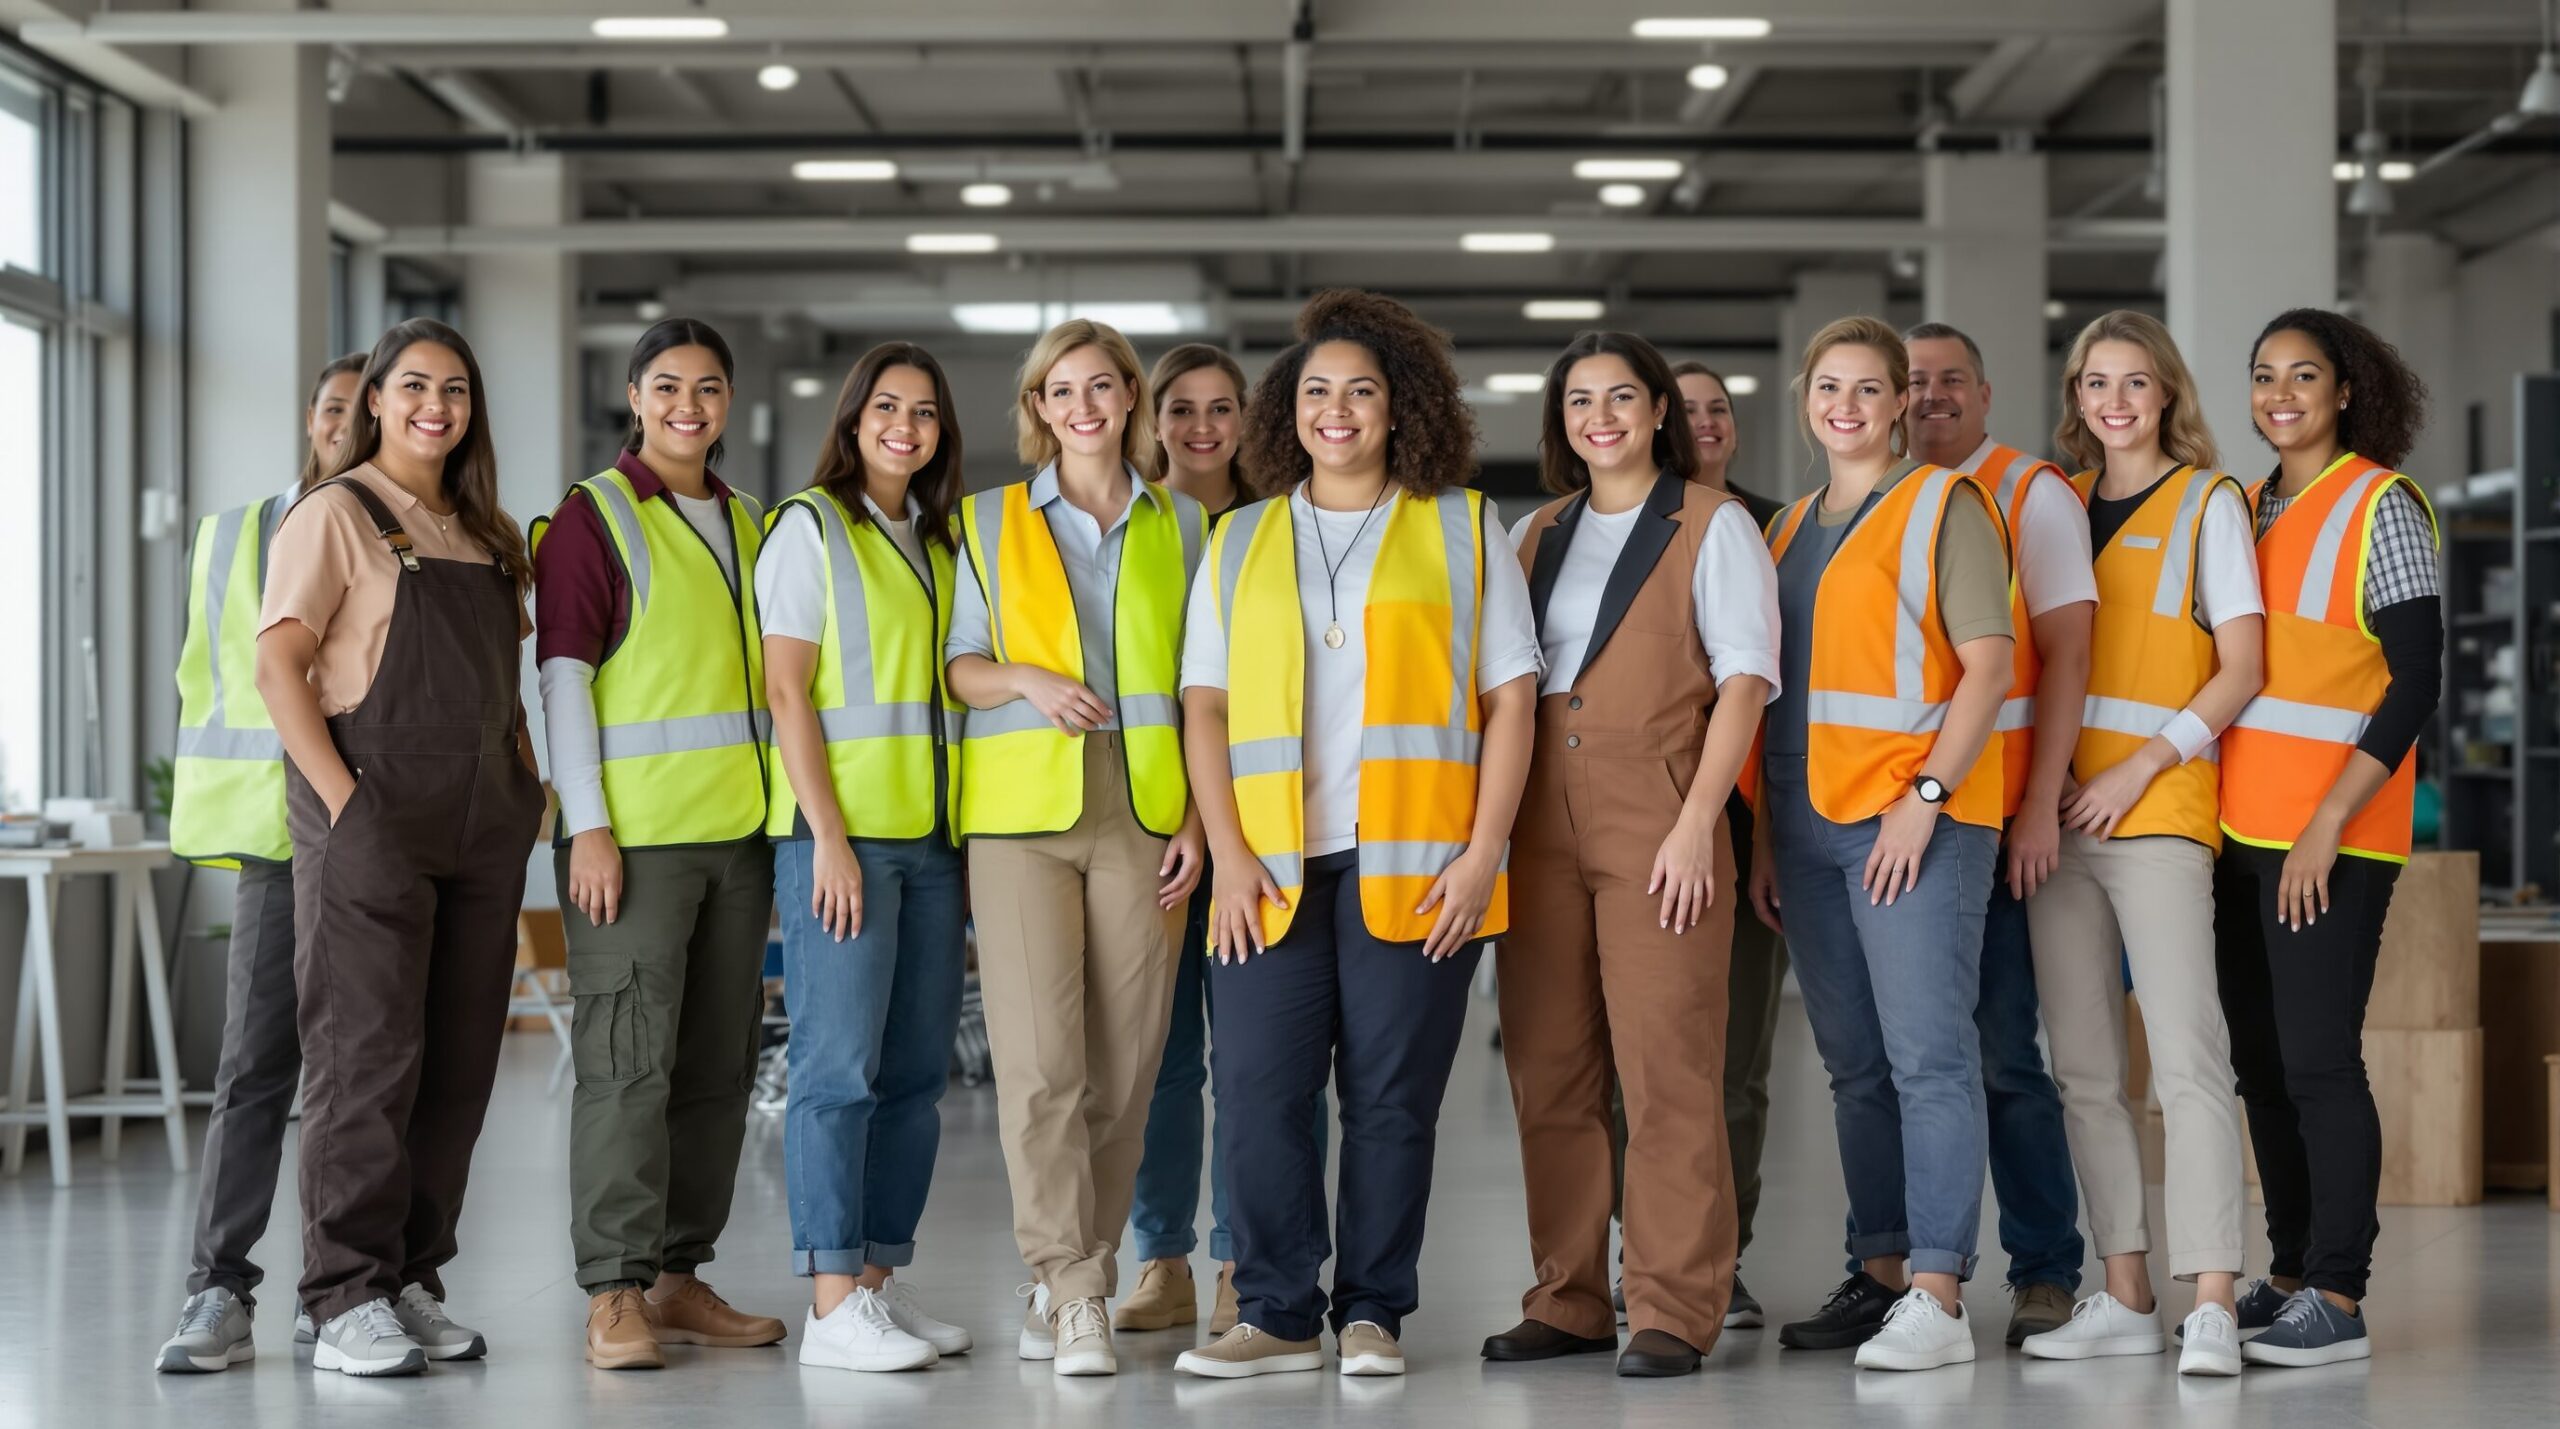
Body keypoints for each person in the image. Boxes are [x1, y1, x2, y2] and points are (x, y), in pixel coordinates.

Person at [1173, 289, 1539, 1379]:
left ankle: (1372, 1310)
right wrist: (1230, 855)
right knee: (1255, 1093)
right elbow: (1205, 704)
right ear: (1289, 410)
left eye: (1362, 391)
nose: (1339, 410)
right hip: (1270, 871)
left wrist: (1482, 854)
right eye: (1318, 391)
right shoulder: (1239, 536)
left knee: (1390, 1102)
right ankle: (1279, 1311)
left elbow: (1512, 700)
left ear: (1401, 409)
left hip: (1419, 867)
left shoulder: (1466, 526)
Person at [252, 318, 546, 1377]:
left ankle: (410, 1275)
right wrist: (344, 805)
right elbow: (279, 667)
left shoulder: (483, 529)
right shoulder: (335, 516)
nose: (437, 405)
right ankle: (340, 1296)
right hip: (371, 808)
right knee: (363, 1059)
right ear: (374, 398)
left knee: (459, 1064)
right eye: (414, 385)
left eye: (456, 388)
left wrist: (523, 779)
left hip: (480, 824)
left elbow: (502, 680)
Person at [1485, 332, 1777, 1378]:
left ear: (1659, 410)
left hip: (1660, 811)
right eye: (1577, 401)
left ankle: (1672, 1302)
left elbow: (1744, 681)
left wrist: (1700, 822)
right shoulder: (1534, 532)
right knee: (1550, 1067)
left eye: (1619, 397)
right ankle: (1566, 1295)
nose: (1598, 416)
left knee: (1669, 1070)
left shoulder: (1715, 526)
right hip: (1537, 821)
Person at [946, 318, 1208, 1377]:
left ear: (1131, 398)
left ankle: (1078, 1270)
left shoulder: (1185, 525)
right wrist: (1026, 680)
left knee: (1127, 1067)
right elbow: (959, 663)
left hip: (1145, 810)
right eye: (1063, 390)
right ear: (1039, 408)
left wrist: (1196, 817)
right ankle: (1071, 1285)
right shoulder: (986, 520)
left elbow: (1205, 685)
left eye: (1104, 386)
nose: (1085, 405)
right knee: (1043, 1065)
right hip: (1019, 815)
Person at [1749, 316, 2011, 1373]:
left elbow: (1986, 667)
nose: (1846, 405)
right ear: (1806, 400)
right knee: (1853, 1064)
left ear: (1901, 401)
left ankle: (1941, 1293)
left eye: (1869, 387)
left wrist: (1927, 795)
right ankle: (1885, 1270)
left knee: (1928, 1058)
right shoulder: (1785, 529)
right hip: (1805, 826)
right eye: (1828, 387)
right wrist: (1770, 838)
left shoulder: (1946, 506)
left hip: (1914, 824)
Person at [532, 317, 786, 1371]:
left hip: (738, 838)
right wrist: (587, 824)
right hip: (630, 845)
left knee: (716, 1069)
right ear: (633, 396)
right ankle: (615, 1290)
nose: (690, 404)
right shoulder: (597, 515)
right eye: (669, 384)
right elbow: (561, 681)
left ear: (729, 404)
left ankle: (681, 1276)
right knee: (627, 1066)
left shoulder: (754, 520)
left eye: (710, 387)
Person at [2014, 311, 2261, 1375]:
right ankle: (2121, 1289)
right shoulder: (2051, 505)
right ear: (2075, 398)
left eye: (2134, 382)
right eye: (2094, 383)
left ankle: (2209, 1295)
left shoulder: (2208, 502)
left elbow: (2240, 666)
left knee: (2188, 1061)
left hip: (2153, 812)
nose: (2113, 401)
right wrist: (2052, 785)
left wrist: (2137, 766)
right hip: (2057, 817)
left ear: (2167, 395)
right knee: (2080, 1066)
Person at [2215, 308, 2440, 1368]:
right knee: (2259, 1063)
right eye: (2264, 376)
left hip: (2331, 834)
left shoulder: (2379, 504)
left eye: (2304, 375)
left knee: (2316, 1061)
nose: (2281, 394)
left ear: (2344, 389)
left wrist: (2325, 822)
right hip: (2235, 830)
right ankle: (2292, 1268)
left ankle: (2341, 1297)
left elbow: (2414, 683)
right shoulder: (2249, 504)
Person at [761, 342, 975, 1373]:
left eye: (924, 411)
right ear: (851, 423)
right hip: (840, 839)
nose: (905, 425)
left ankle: (876, 1287)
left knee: (911, 1076)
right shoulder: (810, 528)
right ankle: (829, 1301)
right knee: (836, 1071)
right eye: (885, 408)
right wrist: (829, 839)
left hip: (931, 842)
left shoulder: (938, 542)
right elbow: (789, 692)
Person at [157, 350, 364, 1374]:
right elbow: (218, 684)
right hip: (278, 841)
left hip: (373, 838)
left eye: (362, 410)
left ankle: (352, 1288)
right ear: (310, 417)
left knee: (366, 1071)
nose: (345, 423)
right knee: (254, 1068)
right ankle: (217, 1287)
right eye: (333, 406)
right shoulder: (234, 535)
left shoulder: (399, 531)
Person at [1118, 342, 1331, 1339]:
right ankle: (1159, 1257)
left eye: (1221, 408)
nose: (1202, 427)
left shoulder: (1281, 527)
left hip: (1266, 831)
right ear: (1149, 418)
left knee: (1271, 1063)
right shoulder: (1132, 528)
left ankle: (1251, 1257)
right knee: (1162, 1061)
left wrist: (1218, 827)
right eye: (1180, 408)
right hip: (1157, 836)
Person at [1895, 321, 2094, 1347]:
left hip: (1996, 816)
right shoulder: (1882, 499)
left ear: (1983, 392)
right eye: (1913, 381)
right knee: (1908, 1058)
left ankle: (2044, 1267)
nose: (1929, 396)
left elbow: (2063, 660)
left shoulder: (2031, 490)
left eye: (1947, 381)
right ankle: (1891, 1267)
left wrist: (2035, 806)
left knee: (2002, 1053)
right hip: (1905, 822)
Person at [1636, 361, 1790, 1333]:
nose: (1705, 423)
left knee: (1732, 1060)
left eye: (1718, 408)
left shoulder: (1777, 525)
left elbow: (1783, 697)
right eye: (1685, 410)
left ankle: (1717, 1262)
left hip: (1740, 823)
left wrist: (1769, 834)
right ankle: (1644, 1254)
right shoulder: (1617, 528)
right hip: (1636, 824)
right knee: (1637, 1059)